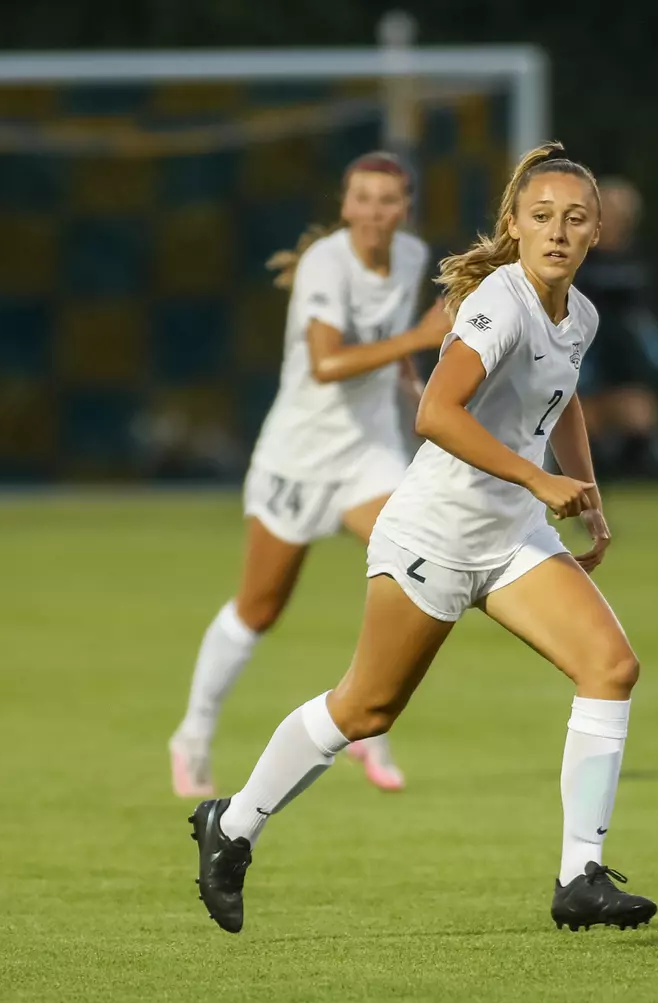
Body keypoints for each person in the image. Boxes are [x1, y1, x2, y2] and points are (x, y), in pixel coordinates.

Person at [186, 142, 657, 935]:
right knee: (364, 710)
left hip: (511, 537)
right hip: (433, 535)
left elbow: (563, 394)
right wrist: (540, 480)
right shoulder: (499, 302)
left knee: (611, 668)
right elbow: (434, 414)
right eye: (541, 216)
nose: (557, 231)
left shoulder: (578, 312)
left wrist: (589, 494)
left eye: (576, 219)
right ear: (513, 224)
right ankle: (231, 824)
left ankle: (579, 873)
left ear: (597, 234)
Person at [167, 152, 450, 799]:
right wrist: (419, 339)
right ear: (345, 206)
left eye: (388, 200)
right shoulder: (326, 263)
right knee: (259, 608)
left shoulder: (409, 256)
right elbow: (326, 364)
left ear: (405, 208)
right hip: (299, 457)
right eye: (363, 198)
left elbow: (394, 351)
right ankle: (193, 733)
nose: (375, 212)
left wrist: (421, 398)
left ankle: (366, 719)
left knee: (415, 558)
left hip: (368, 453)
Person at [571, 177, 658, 477]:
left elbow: (649, 313)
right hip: (585, 350)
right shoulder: (574, 258)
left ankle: (634, 482)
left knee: (639, 418)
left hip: (626, 354)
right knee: (584, 421)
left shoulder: (642, 260)